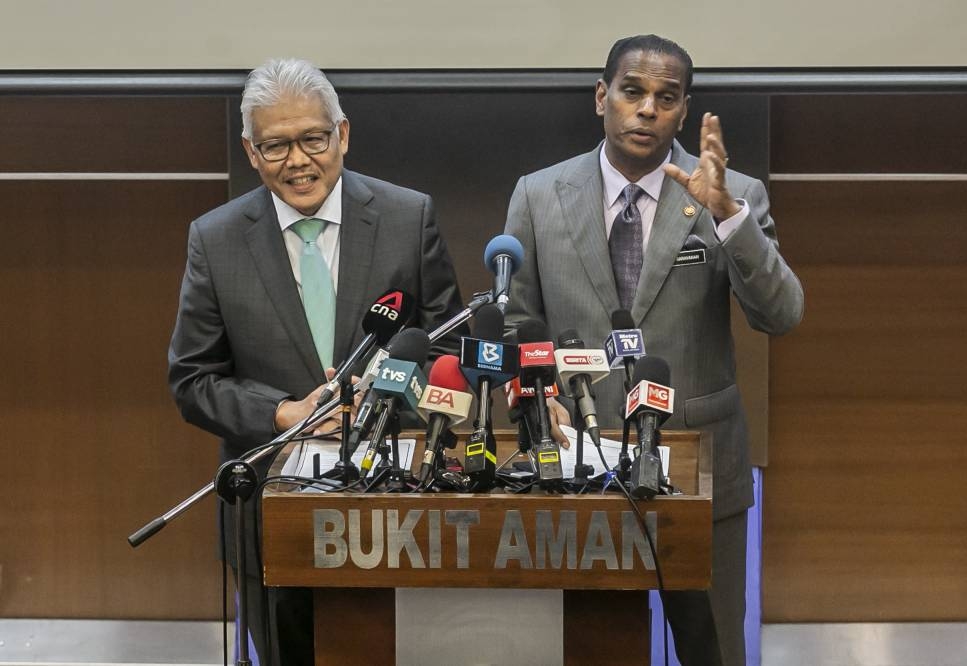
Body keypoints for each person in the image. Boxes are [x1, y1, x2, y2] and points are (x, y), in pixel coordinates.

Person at [503, 35, 804, 666]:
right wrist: (541, 396)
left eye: (666, 99)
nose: (647, 110)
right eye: (632, 92)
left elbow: (780, 314)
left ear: (684, 111)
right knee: (585, 647)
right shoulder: (537, 195)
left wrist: (725, 215)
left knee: (711, 649)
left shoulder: (733, 194)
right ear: (601, 97)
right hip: (577, 467)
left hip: (700, 467)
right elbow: (518, 321)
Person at [167, 58, 465, 664]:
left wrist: (386, 391)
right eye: (275, 146)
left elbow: (448, 349)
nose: (298, 161)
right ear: (251, 152)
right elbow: (192, 379)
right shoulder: (216, 238)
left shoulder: (408, 217)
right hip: (271, 510)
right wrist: (284, 413)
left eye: (313, 139)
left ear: (343, 134)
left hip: (396, 503)